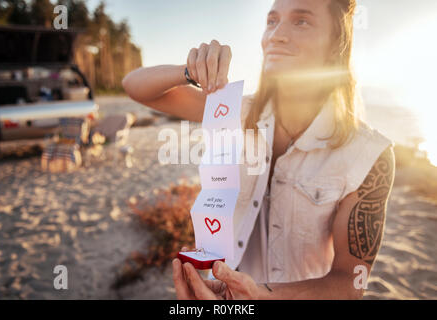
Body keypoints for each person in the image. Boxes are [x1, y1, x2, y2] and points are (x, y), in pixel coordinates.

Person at [122, 0, 395, 299]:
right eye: (272, 21)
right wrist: (189, 71)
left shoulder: (368, 155)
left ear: (336, 43)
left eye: (301, 21)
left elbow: (350, 282)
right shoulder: (233, 110)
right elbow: (135, 85)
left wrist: (262, 295)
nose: (276, 34)